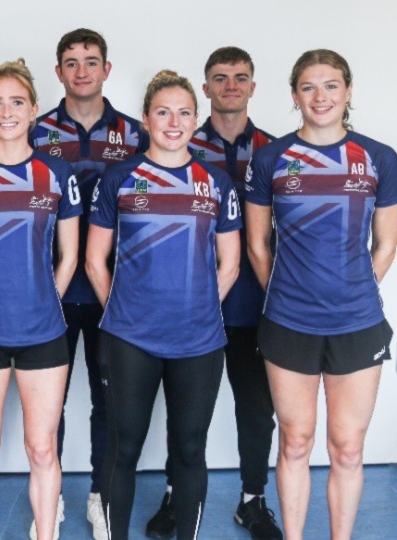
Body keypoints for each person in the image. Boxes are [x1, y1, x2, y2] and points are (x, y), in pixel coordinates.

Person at [245, 49, 396, 540]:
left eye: (331, 85)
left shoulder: (378, 158)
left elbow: (388, 242)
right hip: (289, 323)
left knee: (347, 446)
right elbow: (256, 243)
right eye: (309, 87)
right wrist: (290, 293)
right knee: (295, 440)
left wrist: (354, 290)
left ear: (348, 91)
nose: (320, 96)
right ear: (294, 96)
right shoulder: (270, 159)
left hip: (358, 323)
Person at [85, 69, 241, 540]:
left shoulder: (215, 183)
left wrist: (193, 310)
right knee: (122, 447)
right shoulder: (119, 179)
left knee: (190, 448)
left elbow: (229, 264)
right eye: (163, 112)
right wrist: (126, 311)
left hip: (199, 341)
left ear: (197, 118)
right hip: (129, 338)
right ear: (146, 119)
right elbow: (95, 261)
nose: (174, 122)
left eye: (184, 112)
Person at [144, 46, 281, 540]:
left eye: (240, 77)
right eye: (219, 78)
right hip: (185, 302)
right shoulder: (177, 141)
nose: (230, 86)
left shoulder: (273, 149)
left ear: (252, 86)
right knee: (182, 410)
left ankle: (253, 499)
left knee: (254, 407)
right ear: (204, 89)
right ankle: (175, 497)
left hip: (253, 301)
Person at [0, 59, 80, 540]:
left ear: (34, 110)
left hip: (44, 332)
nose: (7, 111)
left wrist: (46, 299)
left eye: (17, 102)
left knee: (42, 448)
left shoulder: (56, 172)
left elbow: (69, 254)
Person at [29, 28, 147, 540]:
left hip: (112, 290)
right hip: (47, 288)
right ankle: (47, 498)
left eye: (90, 61)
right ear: (58, 72)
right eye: (71, 63)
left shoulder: (135, 133)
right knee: (46, 404)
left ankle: (101, 494)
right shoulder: (33, 131)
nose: (81, 70)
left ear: (106, 69)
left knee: (110, 401)